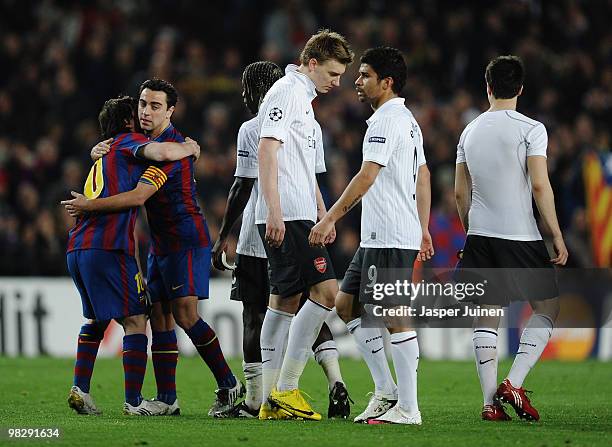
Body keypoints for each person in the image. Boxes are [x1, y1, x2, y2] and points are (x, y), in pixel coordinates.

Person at [68, 79, 244, 416]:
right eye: (143, 105)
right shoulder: (139, 144)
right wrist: (99, 149)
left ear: (171, 110)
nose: (146, 112)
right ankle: (167, 398)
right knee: (159, 317)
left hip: (185, 239)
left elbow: (138, 197)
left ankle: (229, 384)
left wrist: (90, 205)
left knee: (185, 315)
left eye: (155, 106)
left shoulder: (171, 149)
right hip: (159, 244)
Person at [211, 61, 350, 419]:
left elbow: (242, 185)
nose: (243, 96)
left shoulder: (252, 128)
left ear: (258, 89)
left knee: (256, 314)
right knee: (306, 303)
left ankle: (261, 397)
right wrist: (324, 215)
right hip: (297, 221)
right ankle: (332, 379)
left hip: (260, 235)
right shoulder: (311, 124)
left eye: (246, 88)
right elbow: (313, 178)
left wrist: (223, 234)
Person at [310, 47, 433, 425]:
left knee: (394, 316)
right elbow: (423, 175)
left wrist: (329, 218)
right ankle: (385, 391)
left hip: (390, 233)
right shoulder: (407, 120)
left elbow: (366, 177)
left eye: (364, 75)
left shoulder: (385, 122)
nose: (357, 82)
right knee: (346, 305)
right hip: (380, 235)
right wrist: (424, 227)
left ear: (387, 82)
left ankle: (409, 409)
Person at [64, 96, 197, 416]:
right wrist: (189, 147)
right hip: (108, 247)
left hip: (78, 247)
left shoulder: (103, 156)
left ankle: (80, 387)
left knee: (97, 318)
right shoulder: (129, 144)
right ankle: (134, 401)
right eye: (138, 113)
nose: (143, 117)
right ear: (128, 122)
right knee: (137, 318)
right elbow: (163, 151)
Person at [454, 55, 568, 422]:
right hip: (519, 234)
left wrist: (470, 230)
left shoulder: (468, 131)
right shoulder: (532, 129)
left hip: (480, 235)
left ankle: (490, 404)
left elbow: (460, 194)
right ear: (520, 88)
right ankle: (514, 383)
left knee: (486, 314)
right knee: (547, 307)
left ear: (487, 87)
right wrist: (555, 233)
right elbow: (539, 184)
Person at [256, 29, 354, 421]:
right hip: (288, 213)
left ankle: (267, 399)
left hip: (302, 211)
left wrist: (323, 212)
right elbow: (267, 150)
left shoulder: (305, 100)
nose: (337, 82)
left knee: (283, 301)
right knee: (327, 293)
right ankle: (286, 389)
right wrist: (275, 211)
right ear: (311, 63)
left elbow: (303, 169)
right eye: (332, 73)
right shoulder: (286, 92)